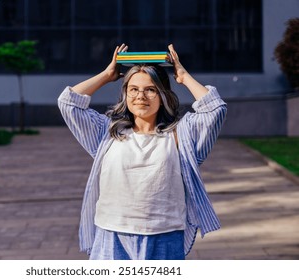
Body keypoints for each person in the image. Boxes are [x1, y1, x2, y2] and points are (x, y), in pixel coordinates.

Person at [58, 43, 227, 260]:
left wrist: (183, 76)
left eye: (150, 89)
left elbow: (214, 109)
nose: (141, 96)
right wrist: (107, 74)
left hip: (164, 235)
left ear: (162, 94)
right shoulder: (107, 132)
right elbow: (68, 103)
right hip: (112, 235)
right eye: (134, 89)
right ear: (126, 94)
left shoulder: (181, 135)